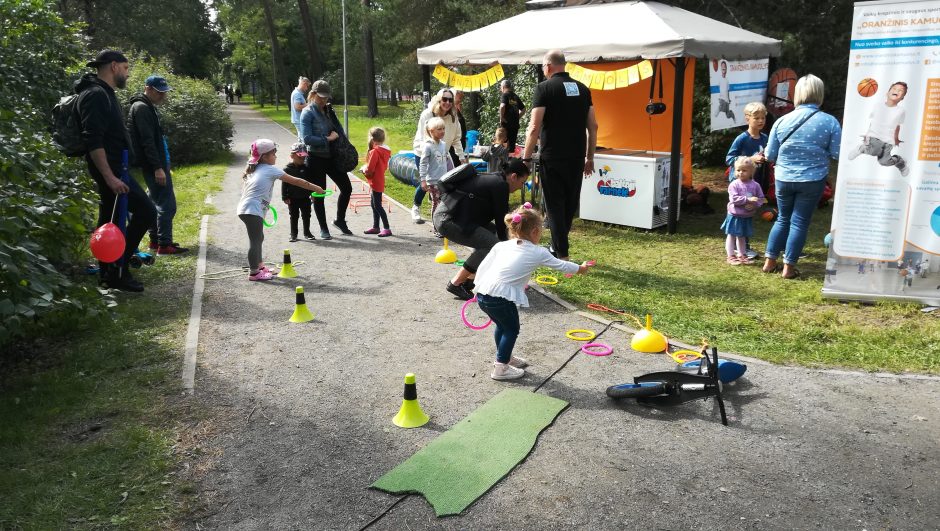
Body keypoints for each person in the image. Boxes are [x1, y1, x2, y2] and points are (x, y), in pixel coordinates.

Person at [474, 205, 592, 380]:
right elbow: (561, 265)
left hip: (484, 293)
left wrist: (477, 285)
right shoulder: (538, 252)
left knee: (502, 326)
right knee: (511, 329)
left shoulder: (502, 246)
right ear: (536, 231)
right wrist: (580, 269)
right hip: (500, 297)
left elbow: (485, 265)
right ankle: (500, 368)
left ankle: (505, 357)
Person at [77, 50, 157, 292]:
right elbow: (94, 141)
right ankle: (118, 267)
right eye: (125, 67)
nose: (128, 72)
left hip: (117, 169)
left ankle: (110, 271)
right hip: (111, 172)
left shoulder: (104, 93)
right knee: (146, 210)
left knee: (110, 220)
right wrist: (110, 177)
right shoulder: (95, 95)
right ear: (113, 66)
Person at [762, 74, 842, 280]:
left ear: (797, 94)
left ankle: (769, 262)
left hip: (783, 178)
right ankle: (788, 268)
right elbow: (837, 153)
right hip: (812, 180)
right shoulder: (830, 122)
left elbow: (770, 155)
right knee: (799, 222)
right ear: (820, 94)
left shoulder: (781, 121)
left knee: (782, 218)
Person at [522, 50, 598, 261]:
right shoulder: (583, 89)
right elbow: (593, 126)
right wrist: (589, 157)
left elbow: (534, 126)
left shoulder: (544, 88)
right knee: (569, 204)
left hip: (553, 156)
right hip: (576, 157)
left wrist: (526, 158)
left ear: (547, 66)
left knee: (555, 204)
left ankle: (561, 255)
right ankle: (557, 246)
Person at [433, 158, 531, 300]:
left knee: (491, 236)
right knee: (492, 245)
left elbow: (500, 223)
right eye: (522, 183)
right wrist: (509, 247)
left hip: (457, 217)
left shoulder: (495, 179)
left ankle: (470, 280)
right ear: (513, 176)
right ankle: (456, 282)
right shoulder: (500, 185)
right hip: (448, 220)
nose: (520, 187)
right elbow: (501, 220)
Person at [237, 139, 324, 281]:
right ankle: (254, 272)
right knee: (255, 241)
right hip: (252, 209)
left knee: (259, 238)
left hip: (250, 208)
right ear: (265, 157)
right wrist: (316, 188)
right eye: (274, 153)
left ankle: (259, 266)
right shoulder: (270, 169)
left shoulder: (256, 168)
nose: (276, 156)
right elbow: (296, 181)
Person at [128, 75, 187, 256]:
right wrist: (157, 167)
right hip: (153, 164)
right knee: (167, 205)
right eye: (160, 92)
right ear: (149, 89)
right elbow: (147, 142)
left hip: (156, 163)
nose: (163, 96)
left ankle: (155, 240)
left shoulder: (146, 106)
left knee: (155, 202)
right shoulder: (142, 108)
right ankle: (164, 244)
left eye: (165, 92)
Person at [299, 79, 354, 238]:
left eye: (326, 97)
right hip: (315, 158)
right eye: (321, 97)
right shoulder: (307, 112)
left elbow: (338, 130)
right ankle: (324, 228)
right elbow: (307, 138)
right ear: (313, 94)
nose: (324, 100)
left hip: (332, 157)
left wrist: (338, 138)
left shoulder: (329, 110)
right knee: (319, 193)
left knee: (347, 188)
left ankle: (340, 220)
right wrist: (327, 139)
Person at [411, 88, 466, 224]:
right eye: (444, 99)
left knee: (443, 183)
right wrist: (432, 155)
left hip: (443, 153)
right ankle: (416, 207)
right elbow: (424, 138)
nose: (447, 102)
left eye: (450, 100)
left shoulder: (454, 117)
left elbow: (456, 139)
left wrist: (461, 157)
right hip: (425, 152)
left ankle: (441, 211)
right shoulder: (428, 114)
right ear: (439, 100)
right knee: (428, 182)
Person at [725, 101, 770, 260]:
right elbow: (729, 158)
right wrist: (751, 159)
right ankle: (739, 249)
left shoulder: (765, 138)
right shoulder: (742, 138)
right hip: (740, 184)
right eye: (756, 117)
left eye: (763, 117)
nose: (760, 121)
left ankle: (743, 246)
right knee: (739, 213)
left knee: (749, 212)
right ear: (747, 119)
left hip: (754, 182)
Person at [846, 81, 910, 177]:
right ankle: (862, 148)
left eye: (900, 91)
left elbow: (898, 125)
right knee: (875, 148)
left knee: (884, 162)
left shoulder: (901, 111)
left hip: (888, 141)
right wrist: (867, 134)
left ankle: (901, 163)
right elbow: (873, 122)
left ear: (902, 97)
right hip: (875, 136)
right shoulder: (878, 106)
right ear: (887, 93)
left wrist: (896, 139)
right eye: (894, 89)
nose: (897, 91)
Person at [721, 157, 766, 265]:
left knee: (742, 236)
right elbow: (733, 199)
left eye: (744, 170)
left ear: (751, 172)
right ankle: (731, 256)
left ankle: (742, 255)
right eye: (738, 170)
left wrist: (755, 205)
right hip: (734, 215)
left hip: (747, 216)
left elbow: (761, 198)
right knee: (731, 235)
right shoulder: (734, 184)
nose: (741, 172)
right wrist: (748, 200)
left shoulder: (755, 185)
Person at [419, 117, 453, 236]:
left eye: (443, 128)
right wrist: (423, 180)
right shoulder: (428, 146)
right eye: (439, 129)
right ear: (431, 131)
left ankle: (443, 225)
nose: (442, 131)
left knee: (445, 203)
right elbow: (423, 163)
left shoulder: (443, 144)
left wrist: (452, 174)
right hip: (433, 181)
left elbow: (448, 161)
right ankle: (436, 227)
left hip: (444, 180)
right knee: (436, 203)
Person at [361, 126, 393, 237]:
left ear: (372, 139)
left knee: (377, 205)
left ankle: (387, 228)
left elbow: (370, 169)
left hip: (376, 180)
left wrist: (364, 170)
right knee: (373, 203)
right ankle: (376, 227)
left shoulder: (375, 152)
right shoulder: (386, 150)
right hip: (379, 179)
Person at [281, 142, 316, 242]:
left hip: (305, 197)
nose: (302, 159)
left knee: (306, 215)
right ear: (292, 156)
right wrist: (285, 196)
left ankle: (307, 232)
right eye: (300, 157)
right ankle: (293, 234)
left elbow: (309, 183)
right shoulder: (287, 169)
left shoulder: (307, 168)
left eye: (304, 157)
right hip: (292, 198)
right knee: (294, 216)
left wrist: (312, 194)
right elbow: (284, 184)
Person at [499, 79, 525, 152]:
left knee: (503, 145)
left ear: (503, 87)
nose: (501, 89)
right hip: (515, 125)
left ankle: (504, 162)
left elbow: (502, 106)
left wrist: (501, 118)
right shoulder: (515, 96)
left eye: (501, 87)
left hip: (506, 124)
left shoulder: (505, 95)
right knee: (511, 147)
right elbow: (524, 109)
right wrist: (517, 117)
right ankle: (510, 161)